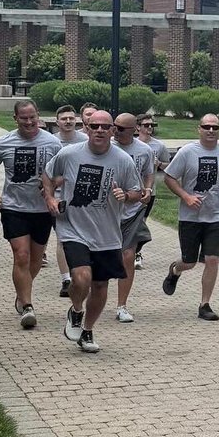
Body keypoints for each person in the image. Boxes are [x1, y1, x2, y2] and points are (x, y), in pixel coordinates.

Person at [42, 110, 142, 353]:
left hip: (107, 234)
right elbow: (47, 175)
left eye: (105, 126)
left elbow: (138, 193)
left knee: (100, 287)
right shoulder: (69, 154)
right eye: (94, 125)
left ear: (112, 131)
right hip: (73, 228)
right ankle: (76, 310)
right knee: (82, 277)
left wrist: (125, 196)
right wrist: (50, 199)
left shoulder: (122, 160)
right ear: (86, 128)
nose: (99, 130)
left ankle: (87, 330)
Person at [0, 99, 61, 330]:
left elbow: (64, 172)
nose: (29, 122)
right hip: (13, 207)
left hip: (41, 209)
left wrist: (52, 187)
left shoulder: (53, 143)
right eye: (24, 118)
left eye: (32, 117)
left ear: (38, 116)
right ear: (15, 118)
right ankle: (27, 306)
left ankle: (21, 292)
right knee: (22, 256)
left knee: (36, 259)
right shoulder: (3, 143)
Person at [161, 114, 219, 321]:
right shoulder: (187, 152)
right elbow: (169, 177)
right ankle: (175, 271)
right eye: (206, 127)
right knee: (189, 262)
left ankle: (205, 304)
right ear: (198, 129)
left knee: (212, 259)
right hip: (190, 217)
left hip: (216, 216)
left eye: (214, 127)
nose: (210, 131)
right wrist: (186, 196)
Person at [111, 113, 156, 324]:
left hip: (132, 210)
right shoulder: (107, 147)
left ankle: (122, 305)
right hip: (106, 213)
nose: (115, 131)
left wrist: (147, 188)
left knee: (128, 256)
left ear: (134, 130)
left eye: (120, 128)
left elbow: (149, 173)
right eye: (114, 127)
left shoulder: (144, 150)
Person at [54, 104, 86, 296]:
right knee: (62, 238)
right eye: (64, 118)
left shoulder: (86, 141)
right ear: (57, 122)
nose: (68, 121)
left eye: (71, 118)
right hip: (58, 198)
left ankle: (82, 275)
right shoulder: (51, 142)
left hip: (81, 198)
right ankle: (66, 279)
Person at [133, 114, 170, 270]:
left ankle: (136, 253)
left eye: (151, 125)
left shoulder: (158, 146)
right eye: (146, 125)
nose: (149, 128)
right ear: (138, 127)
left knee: (141, 223)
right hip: (130, 190)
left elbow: (169, 167)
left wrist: (158, 163)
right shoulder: (132, 145)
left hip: (149, 191)